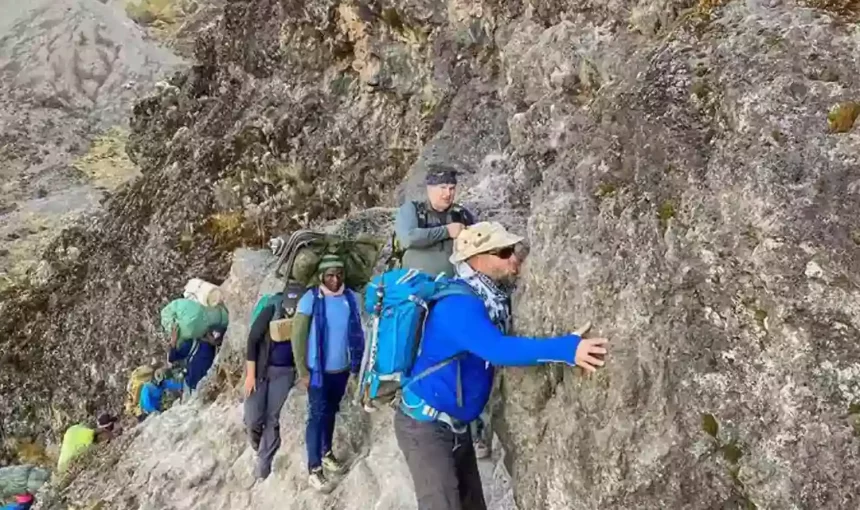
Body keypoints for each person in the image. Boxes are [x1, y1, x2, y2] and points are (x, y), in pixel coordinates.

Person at [394, 222, 609, 510]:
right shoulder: (458, 306)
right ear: (476, 259)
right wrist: (567, 348)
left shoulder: (488, 298)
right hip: (426, 427)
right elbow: (498, 350)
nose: (514, 259)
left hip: (454, 426)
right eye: (505, 252)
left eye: (514, 251)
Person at [291, 254, 364, 490]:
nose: (335, 279)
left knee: (330, 411)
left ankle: (326, 452)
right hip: (317, 371)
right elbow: (298, 336)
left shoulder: (350, 298)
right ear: (322, 275)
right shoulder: (311, 299)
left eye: (339, 274)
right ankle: (314, 468)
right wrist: (302, 370)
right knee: (316, 415)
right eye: (330, 275)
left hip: (341, 370)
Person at [244, 290, 297, 480]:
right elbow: (252, 339)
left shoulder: (305, 311)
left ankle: (263, 464)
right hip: (260, 370)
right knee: (252, 419)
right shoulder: (272, 308)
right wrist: (250, 375)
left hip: (285, 373)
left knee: (272, 418)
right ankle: (259, 447)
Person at [393, 164, 476, 277]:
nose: (447, 194)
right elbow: (408, 239)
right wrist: (446, 231)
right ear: (429, 188)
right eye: (442, 188)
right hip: (415, 285)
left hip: (454, 286)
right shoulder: (412, 209)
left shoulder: (462, 214)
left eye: (451, 188)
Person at [168, 325, 225, 396]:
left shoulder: (218, 350)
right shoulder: (192, 343)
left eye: (217, 339)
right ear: (206, 333)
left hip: (205, 389)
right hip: (190, 388)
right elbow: (173, 358)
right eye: (212, 335)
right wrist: (173, 342)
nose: (214, 339)